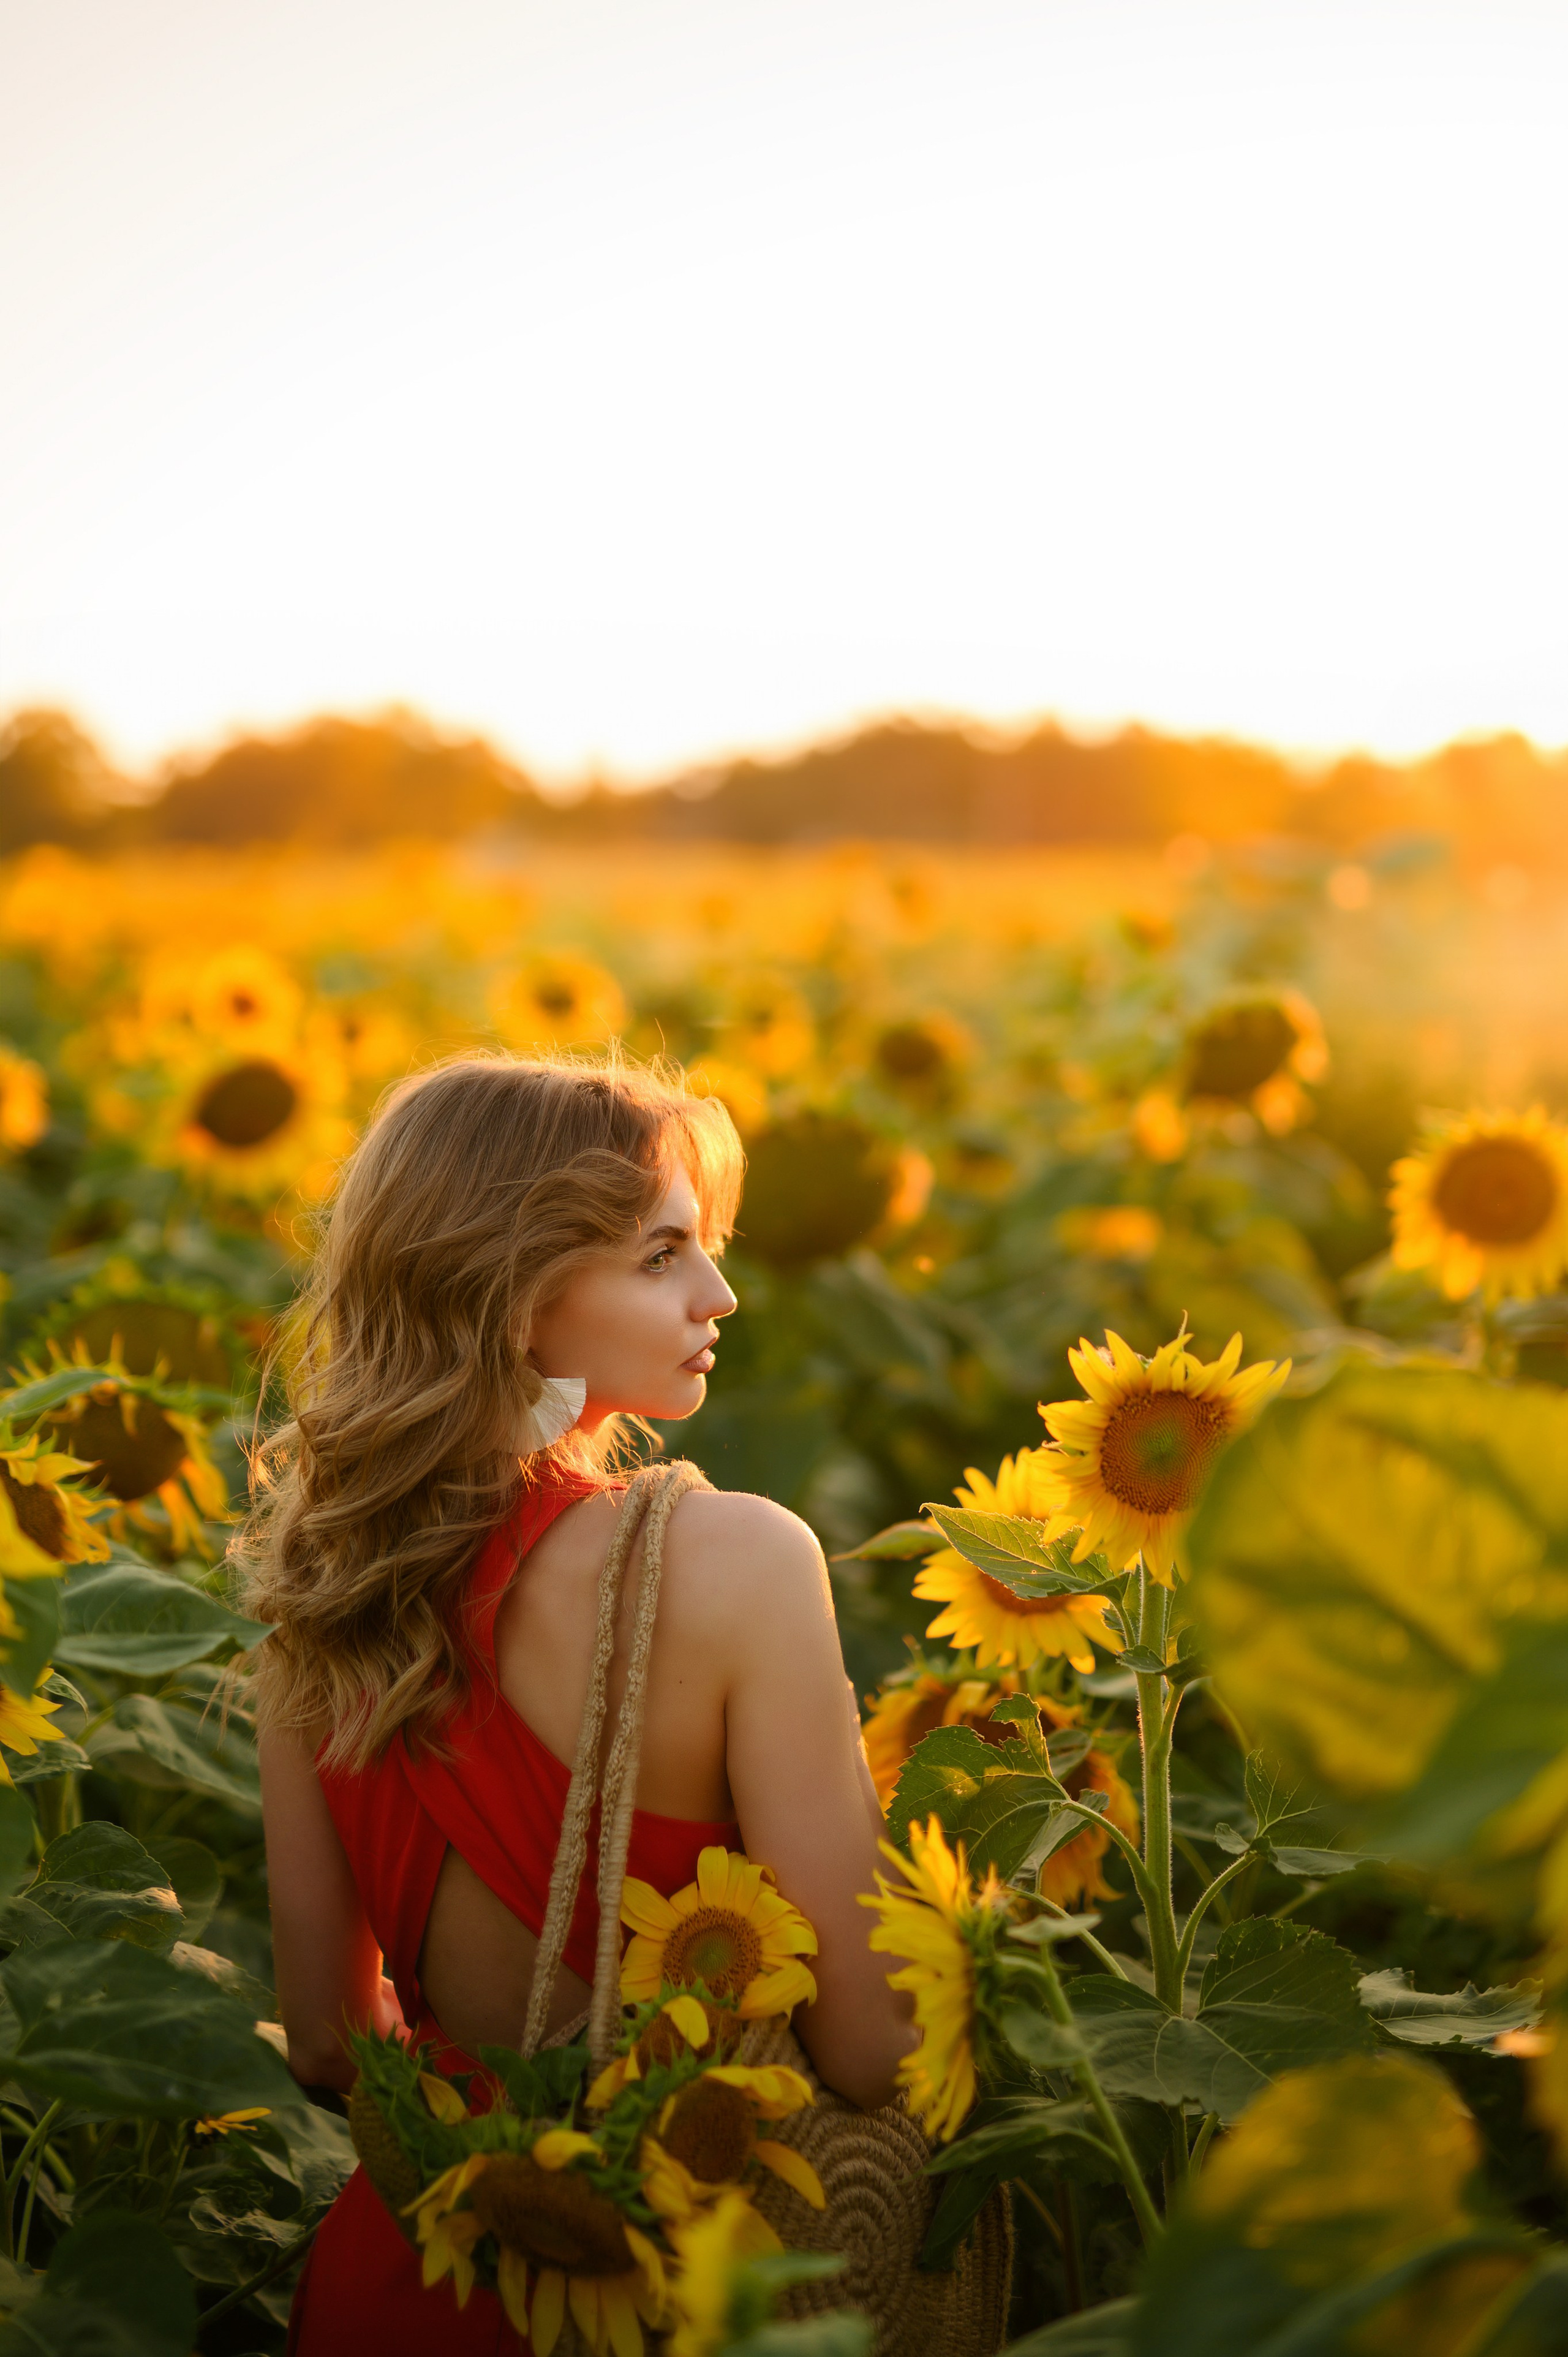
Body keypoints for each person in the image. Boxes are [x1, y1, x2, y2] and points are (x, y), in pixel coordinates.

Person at [244, 1054, 914, 2354]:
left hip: (424, 2271)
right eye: (661, 1255)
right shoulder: (738, 1562)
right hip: (670, 2281)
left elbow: (331, 2044)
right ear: (514, 1294)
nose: (719, 1293)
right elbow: (872, 2044)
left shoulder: (316, 1590)